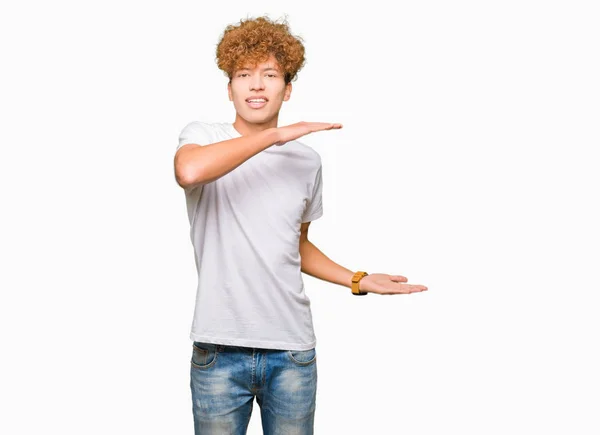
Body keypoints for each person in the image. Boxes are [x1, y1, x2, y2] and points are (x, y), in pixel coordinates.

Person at [173, 15, 428, 435]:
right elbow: (189, 172)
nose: (256, 85)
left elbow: (295, 244)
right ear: (230, 88)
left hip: (291, 352)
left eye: (269, 74)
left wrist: (358, 279)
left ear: (286, 88)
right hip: (219, 350)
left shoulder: (306, 161)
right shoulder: (203, 135)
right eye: (244, 74)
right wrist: (275, 136)